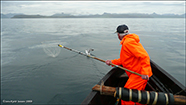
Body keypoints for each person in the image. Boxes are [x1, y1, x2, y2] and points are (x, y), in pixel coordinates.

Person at [105, 24, 153, 105]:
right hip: (138, 74)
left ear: (119, 35)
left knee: (126, 95)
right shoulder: (127, 42)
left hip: (139, 75)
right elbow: (125, 59)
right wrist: (112, 62)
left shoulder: (128, 42)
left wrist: (144, 72)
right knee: (138, 95)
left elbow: (144, 56)